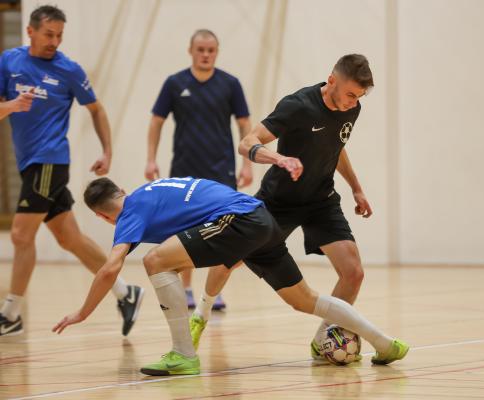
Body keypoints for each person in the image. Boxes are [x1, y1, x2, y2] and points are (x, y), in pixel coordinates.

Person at [52, 176, 409, 376]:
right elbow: (205, 248)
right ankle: (385, 344)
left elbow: (110, 268)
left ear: (103, 217)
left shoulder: (131, 213)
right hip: (261, 219)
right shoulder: (152, 190)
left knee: (154, 260)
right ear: (121, 189)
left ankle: (183, 354)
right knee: (304, 299)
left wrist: (83, 312)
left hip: (239, 220)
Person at [199, 54, 375, 360]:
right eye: (350, 94)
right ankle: (200, 315)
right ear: (331, 80)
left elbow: (337, 146)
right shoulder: (298, 106)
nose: (353, 103)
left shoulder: (352, 108)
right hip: (279, 201)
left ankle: (324, 341)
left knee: (354, 273)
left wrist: (356, 188)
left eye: (359, 97)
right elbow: (247, 142)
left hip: (320, 201)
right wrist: (278, 158)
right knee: (230, 256)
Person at [0, 5, 143, 337]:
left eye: (59, 35)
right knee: (69, 238)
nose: (54, 41)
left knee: (20, 235)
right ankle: (126, 292)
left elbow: (96, 109)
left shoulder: (69, 70)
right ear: (30, 31)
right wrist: (12, 105)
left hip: (50, 161)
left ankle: (11, 313)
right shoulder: (9, 62)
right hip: (29, 164)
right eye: (48, 34)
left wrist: (107, 151)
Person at [145, 29, 253, 311]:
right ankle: (187, 289)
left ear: (216, 52)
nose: (205, 55)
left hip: (221, 169)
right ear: (190, 51)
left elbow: (244, 123)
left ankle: (213, 293)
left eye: (210, 50)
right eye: (200, 50)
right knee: (186, 229)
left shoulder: (230, 84)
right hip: (185, 169)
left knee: (225, 231)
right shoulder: (175, 83)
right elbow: (156, 121)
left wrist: (247, 164)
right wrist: (151, 159)